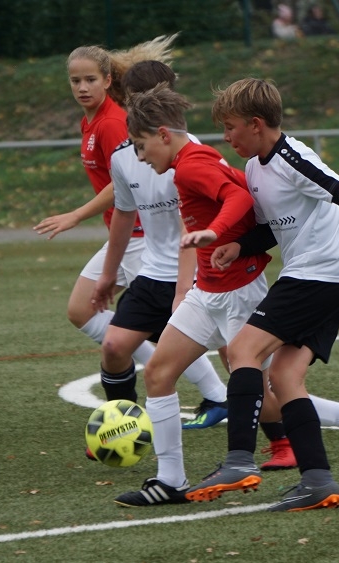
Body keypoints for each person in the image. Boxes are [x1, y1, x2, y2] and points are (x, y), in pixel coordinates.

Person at [185, 78, 339, 512]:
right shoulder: (255, 167)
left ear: (256, 124)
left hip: (318, 277)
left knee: (241, 351)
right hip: (320, 279)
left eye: (230, 127)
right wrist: (240, 246)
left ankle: (238, 461)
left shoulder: (293, 158)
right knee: (284, 378)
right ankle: (317, 480)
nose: (226, 137)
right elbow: (271, 229)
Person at [111, 84, 273, 507]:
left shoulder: (189, 166)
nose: (140, 157)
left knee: (274, 397)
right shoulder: (190, 161)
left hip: (239, 292)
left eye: (142, 146)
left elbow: (238, 196)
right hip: (209, 291)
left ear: (164, 135)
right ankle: (170, 481)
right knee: (158, 372)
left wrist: (215, 232)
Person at [32, 36, 177, 415]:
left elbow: (123, 182)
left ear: (108, 80)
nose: (82, 87)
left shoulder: (113, 123)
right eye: (75, 80)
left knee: (174, 326)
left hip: (141, 235)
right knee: (86, 313)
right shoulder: (91, 121)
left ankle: (214, 394)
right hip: (123, 232)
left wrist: (76, 215)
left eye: (90, 80)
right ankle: (192, 388)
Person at [89, 60, 228, 429]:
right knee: (114, 347)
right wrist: (107, 275)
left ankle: (277, 433)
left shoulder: (192, 154)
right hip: (154, 274)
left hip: (201, 277)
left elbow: (192, 226)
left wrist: (183, 291)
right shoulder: (125, 156)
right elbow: (123, 215)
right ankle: (122, 426)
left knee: (240, 360)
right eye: (137, 100)